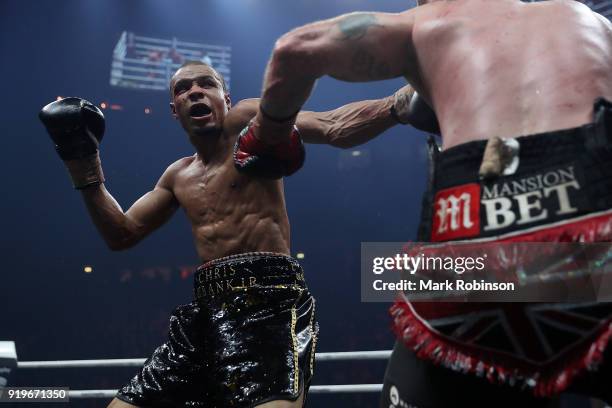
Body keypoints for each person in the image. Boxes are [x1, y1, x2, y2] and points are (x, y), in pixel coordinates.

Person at [249, 1, 612, 407]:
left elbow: (294, 48)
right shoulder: (589, 21)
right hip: (594, 247)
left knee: (392, 274)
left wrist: (268, 134)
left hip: (472, 257)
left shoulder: (426, 24)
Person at [38, 60, 420, 408]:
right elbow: (121, 234)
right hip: (204, 314)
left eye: (206, 83)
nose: (195, 92)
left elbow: (330, 126)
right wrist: (83, 162)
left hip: (269, 303)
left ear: (226, 98)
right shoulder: (176, 176)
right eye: (183, 89)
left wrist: (399, 104)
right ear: (175, 111)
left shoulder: (248, 124)